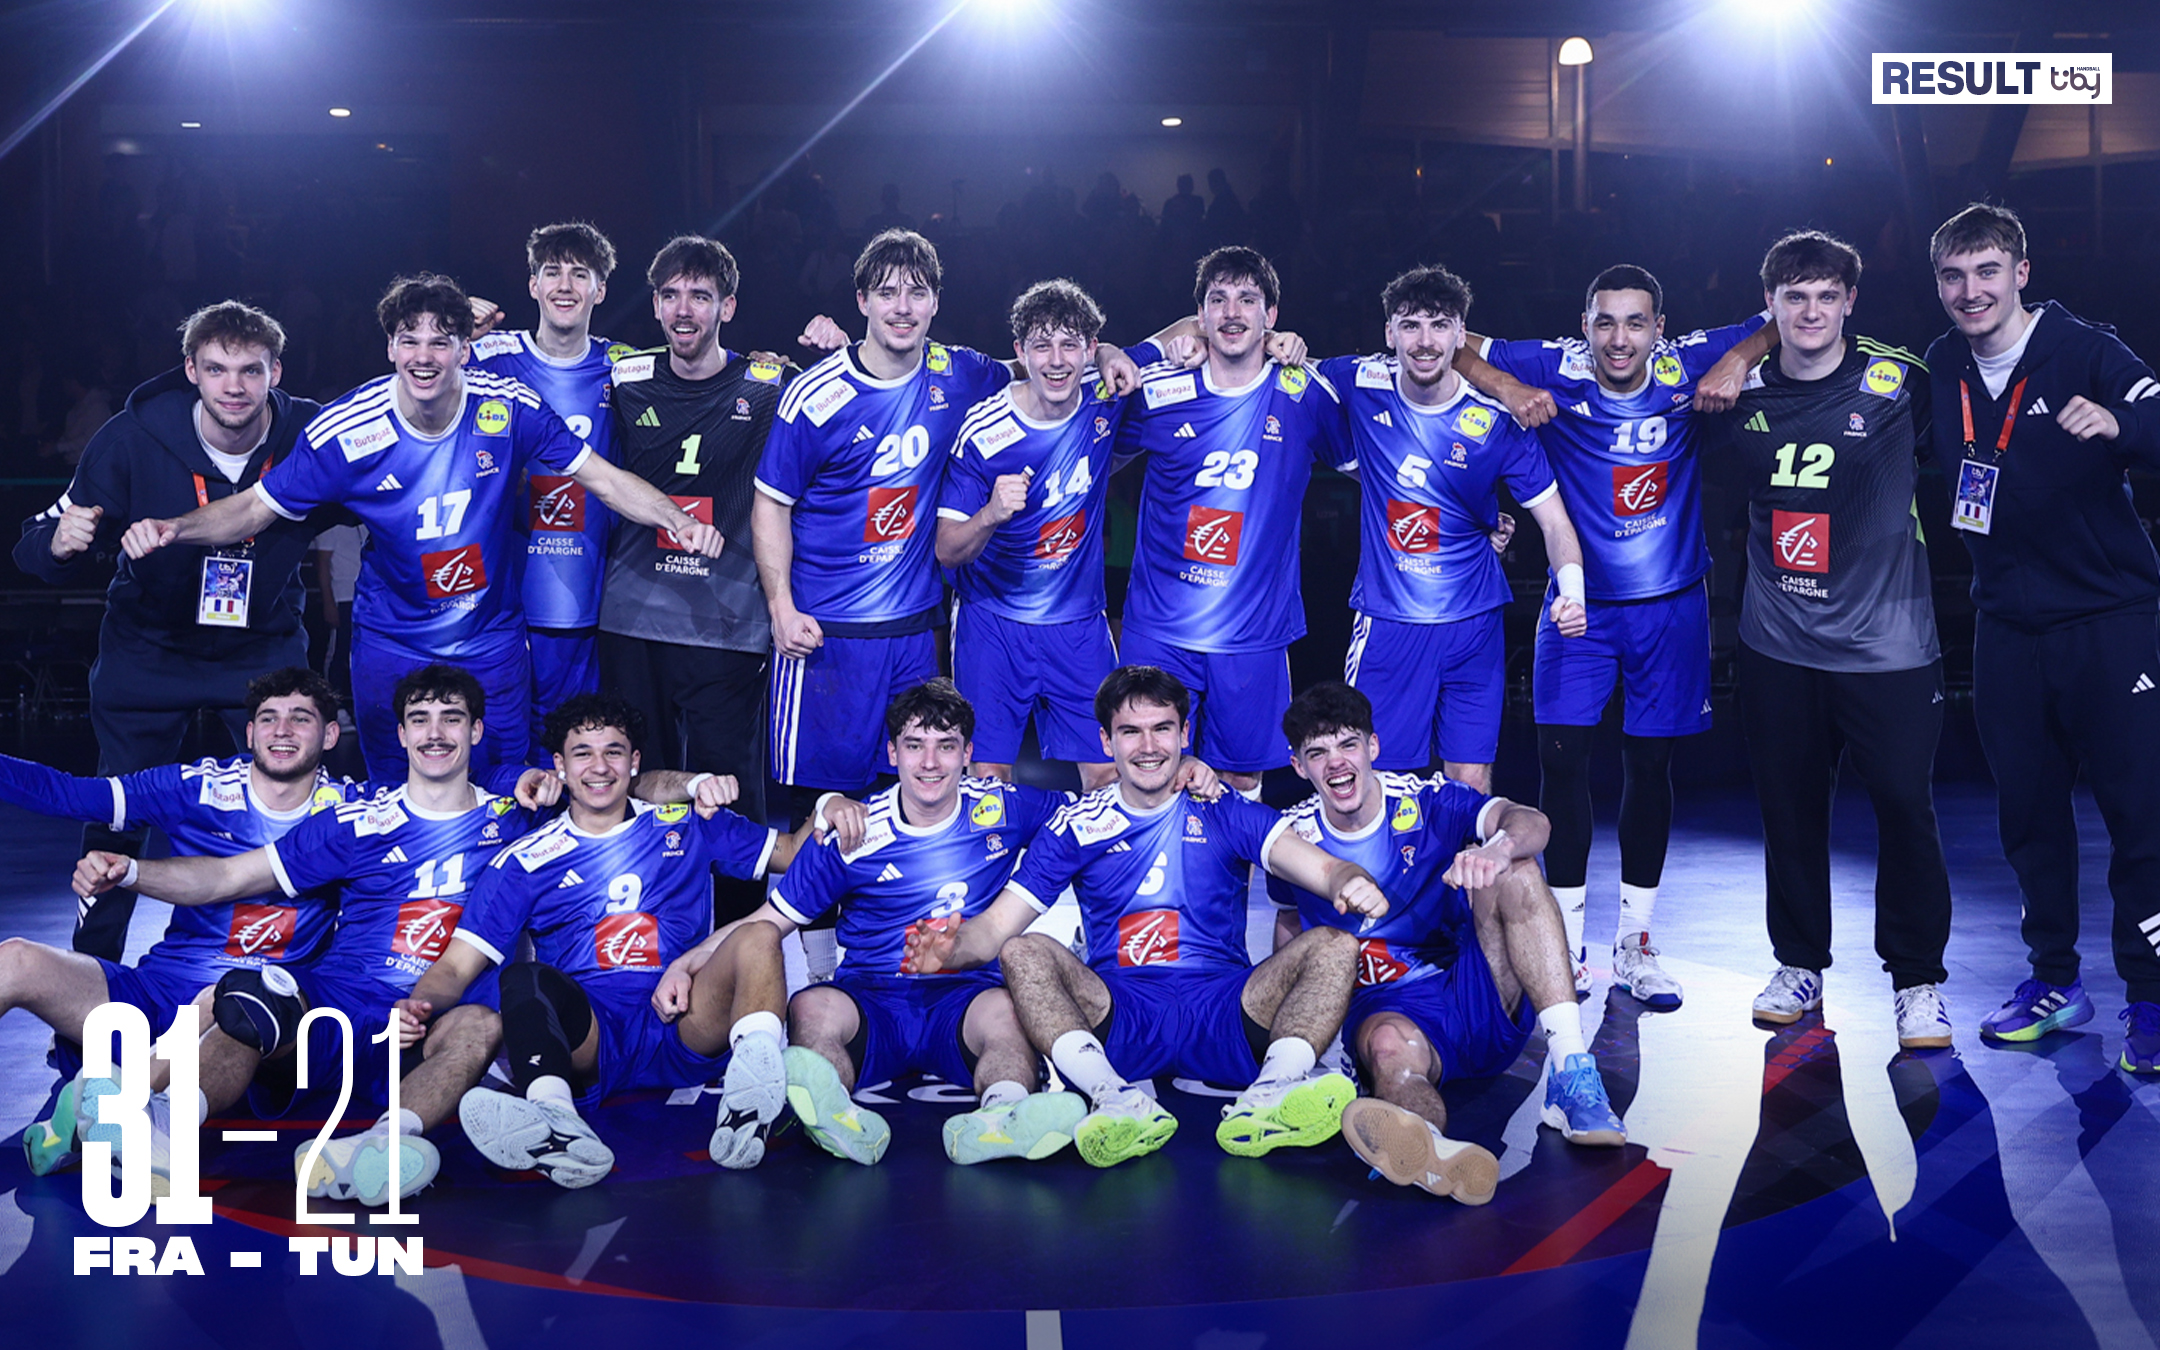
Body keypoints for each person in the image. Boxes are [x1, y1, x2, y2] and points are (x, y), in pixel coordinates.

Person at [114, 273, 723, 780]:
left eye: (441, 341)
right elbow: (252, 508)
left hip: (489, 640)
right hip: (392, 641)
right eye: (410, 341)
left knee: (510, 792)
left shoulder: (509, 407)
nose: (424, 356)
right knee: (394, 796)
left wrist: (675, 517)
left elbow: (605, 480)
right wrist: (174, 528)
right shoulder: (347, 431)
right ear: (391, 349)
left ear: (465, 349)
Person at [70, 665, 537, 1203]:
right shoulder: (352, 821)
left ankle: (379, 1149)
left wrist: (525, 776)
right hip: (343, 1004)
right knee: (251, 996)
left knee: (481, 1026)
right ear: (401, 734)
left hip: (437, 1014)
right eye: (420, 720)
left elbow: (605, 786)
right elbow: (229, 876)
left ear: (476, 730)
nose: (435, 733)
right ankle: (164, 1130)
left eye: (451, 719)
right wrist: (131, 871)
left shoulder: (518, 818)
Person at [903, 665, 1388, 1168]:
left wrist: (1348, 880)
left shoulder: (1220, 805)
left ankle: (1271, 1094)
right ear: (1106, 741)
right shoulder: (1077, 825)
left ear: (1184, 733)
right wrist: (952, 949)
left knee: (1335, 945)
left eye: (1162, 729)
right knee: (1022, 951)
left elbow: (1322, 867)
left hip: (1224, 1006)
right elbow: (994, 929)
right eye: (1131, 732)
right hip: (1121, 1012)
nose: (1149, 746)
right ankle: (1114, 1097)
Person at [1452, 265, 1774, 1007]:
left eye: (1635, 322)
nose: (1619, 338)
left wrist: (1736, 359)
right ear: (1585, 326)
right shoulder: (1555, 366)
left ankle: (1636, 943)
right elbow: (1455, 342)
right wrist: (1505, 387)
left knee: (1650, 768)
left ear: (1660, 328)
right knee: (1561, 767)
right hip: (1580, 608)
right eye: (1605, 322)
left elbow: (1782, 323)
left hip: (1671, 606)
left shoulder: (1686, 363)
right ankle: (1565, 946)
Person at [396, 693, 850, 1186]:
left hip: (686, 1017)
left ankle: (748, 1104)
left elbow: (791, 851)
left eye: (613, 752)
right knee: (525, 978)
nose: (599, 767)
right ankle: (557, 1121)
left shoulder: (689, 825)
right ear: (560, 766)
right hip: (595, 1036)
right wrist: (417, 1006)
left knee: (759, 934)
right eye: (582, 753)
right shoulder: (524, 860)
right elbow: (456, 966)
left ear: (634, 762)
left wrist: (828, 804)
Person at [14, 302, 328, 963]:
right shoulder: (130, 438)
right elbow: (32, 542)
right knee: (118, 812)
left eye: (250, 370)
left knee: (293, 802)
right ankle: (94, 980)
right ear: (191, 371)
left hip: (263, 648)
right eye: (216, 370)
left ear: (276, 372)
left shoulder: (311, 434)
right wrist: (59, 545)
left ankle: (302, 968)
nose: (234, 387)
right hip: (147, 650)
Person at [1923, 203, 2160, 1072]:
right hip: (2006, 628)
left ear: (2021, 272)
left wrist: (2122, 426)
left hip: (2108, 623)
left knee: (2141, 815)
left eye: (1988, 271)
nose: (1971, 291)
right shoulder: (1943, 364)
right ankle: (2055, 980)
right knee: (2027, 815)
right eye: (1954, 276)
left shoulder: (2087, 350)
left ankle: (2152, 996)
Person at [697, 679, 1102, 1166]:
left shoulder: (1005, 807)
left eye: (945, 746)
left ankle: (1002, 1116)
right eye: (914, 745)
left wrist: (1174, 775)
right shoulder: (855, 829)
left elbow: (1102, 811)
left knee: (1009, 1014)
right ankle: (835, 1116)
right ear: (893, 753)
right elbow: (767, 921)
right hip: (872, 995)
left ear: (968, 753)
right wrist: (688, 963)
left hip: (965, 993)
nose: (930, 762)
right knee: (811, 1007)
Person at [1721, 230, 1956, 1049]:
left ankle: (1918, 981)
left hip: (1889, 648)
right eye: (1795, 296)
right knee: (1789, 812)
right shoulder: (1738, 392)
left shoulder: (1901, 381)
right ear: (1771, 305)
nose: (1812, 310)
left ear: (1851, 300)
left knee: (1905, 808)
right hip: (1779, 645)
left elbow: (1985, 430)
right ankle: (1798, 965)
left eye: (1827, 295)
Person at [1270, 683, 1625, 1204]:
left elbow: (1532, 822)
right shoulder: (1292, 839)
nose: (1336, 763)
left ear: (1373, 746)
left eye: (1348, 744)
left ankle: (1571, 1072)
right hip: (1388, 1012)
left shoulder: (1427, 799)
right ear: (1299, 766)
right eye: (1318, 752)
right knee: (1391, 1052)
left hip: (1475, 989)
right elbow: (1290, 929)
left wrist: (1497, 849)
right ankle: (1425, 1147)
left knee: (1517, 868)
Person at [3, 669, 356, 1172]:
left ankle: (113, 1110)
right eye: (268, 718)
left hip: (251, 1030)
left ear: (331, 733)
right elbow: (72, 795)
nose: (282, 731)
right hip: (159, 997)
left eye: (301, 719)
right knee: (15, 960)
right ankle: (109, 1109)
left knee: (237, 992)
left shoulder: (356, 813)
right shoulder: (197, 787)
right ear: (249, 732)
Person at [1318, 264, 1588, 793]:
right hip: (1391, 622)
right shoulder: (1357, 382)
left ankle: (1463, 854)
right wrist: (1276, 341)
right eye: (1410, 325)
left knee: (1470, 778)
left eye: (1439, 325)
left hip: (1475, 625)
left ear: (1461, 334)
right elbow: (1276, 373)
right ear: (1388, 333)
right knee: (1379, 779)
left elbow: (1555, 522)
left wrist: (1572, 594)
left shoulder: (1497, 422)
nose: (1425, 341)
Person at [1114, 248, 1353, 798]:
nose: (1232, 312)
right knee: (1149, 773)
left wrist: (1475, 517)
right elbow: (1092, 453)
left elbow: (1379, 472)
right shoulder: (1161, 388)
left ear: (1272, 315)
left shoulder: (1304, 393)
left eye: (1247, 299)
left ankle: (1230, 864)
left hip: (1253, 632)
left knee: (1242, 780)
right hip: (1160, 627)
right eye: (1218, 299)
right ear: (1199, 316)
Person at [599, 236, 789, 924]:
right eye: (671, 295)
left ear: (727, 307)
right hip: (632, 618)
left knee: (729, 792)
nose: (684, 310)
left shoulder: (770, 384)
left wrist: (835, 345)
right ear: (654, 305)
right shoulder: (622, 378)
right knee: (631, 778)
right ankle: (640, 925)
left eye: (701, 296)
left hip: (728, 624)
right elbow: (546, 366)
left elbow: (861, 378)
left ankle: (740, 938)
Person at [939, 279, 1136, 790]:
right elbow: (947, 549)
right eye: (1042, 345)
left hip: (1078, 623)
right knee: (988, 777)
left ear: (1089, 350)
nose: (1056, 360)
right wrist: (989, 514)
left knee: (1108, 774)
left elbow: (1185, 335)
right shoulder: (983, 429)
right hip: (993, 622)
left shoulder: (1106, 394)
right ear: (1020, 352)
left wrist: (1113, 351)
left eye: (1070, 344)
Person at [469, 222, 627, 753]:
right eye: (552, 272)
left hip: (581, 605)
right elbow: (413, 369)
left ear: (600, 290)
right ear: (532, 284)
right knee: (496, 753)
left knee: (571, 750)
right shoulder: (486, 356)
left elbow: (704, 374)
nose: (564, 285)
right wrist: (454, 329)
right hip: (495, 607)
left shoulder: (625, 368)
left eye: (580, 274)